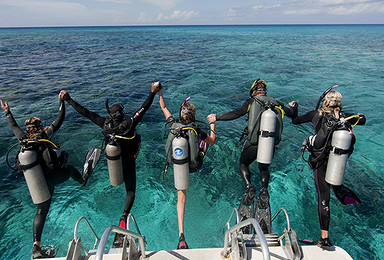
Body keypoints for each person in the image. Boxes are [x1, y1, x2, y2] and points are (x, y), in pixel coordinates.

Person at [60, 81, 162, 247]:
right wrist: (152, 92)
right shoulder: (129, 123)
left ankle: (84, 177)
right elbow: (144, 108)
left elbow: (85, 112)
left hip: (112, 163)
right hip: (128, 161)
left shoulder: (104, 123)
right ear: (121, 114)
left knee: (101, 155)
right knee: (130, 192)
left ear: (111, 116)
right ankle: (123, 217)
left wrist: (68, 99)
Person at [1, 93, 85, 259]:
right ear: (40, 127)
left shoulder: (23, 140)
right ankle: (83, 181)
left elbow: (14, 127)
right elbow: (60, 119)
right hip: (50, 178)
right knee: (69, 169)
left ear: (28, 130)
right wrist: (62, 103)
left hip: (37, 182)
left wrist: (8, 112)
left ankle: (36, 247)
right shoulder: (45, 135)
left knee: (41, 211)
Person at [207, 79, 297, 233]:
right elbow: (293, 116)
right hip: (269, 145)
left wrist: (217, 117)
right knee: (264, 168)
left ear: (254, 90)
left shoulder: (251, 101)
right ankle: (263, 190)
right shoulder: (277, 104)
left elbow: (236, 113)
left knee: (244, 164)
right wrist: (294, 107)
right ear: (265, 91)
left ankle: (249, 186)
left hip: (253, 144)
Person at [292, 89, 366, 248]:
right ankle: (339, 188)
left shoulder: (315, 114)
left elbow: (295, 120)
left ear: (325, 101)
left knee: (323, 198)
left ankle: (324, 239)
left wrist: (294, 108)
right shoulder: (344, 117)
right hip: (336, 159)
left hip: (320, 162)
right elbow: (362, 120)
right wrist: (359, 116)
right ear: (339, 103)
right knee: (332, 187)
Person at [158, 84, 216, 249]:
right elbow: (212, 140)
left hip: (178, 165)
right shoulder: (197, 129)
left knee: (181, 198)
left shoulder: (173, 125)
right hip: (194, 165)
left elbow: (163, 107)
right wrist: (212, 124)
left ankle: (181, 235)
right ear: (193, 116)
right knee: (205, 144)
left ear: (181, 115)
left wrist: (159, 91)